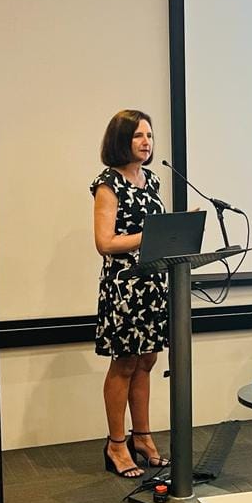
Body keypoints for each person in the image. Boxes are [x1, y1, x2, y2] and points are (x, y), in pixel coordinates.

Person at [91, 109, 170, 479]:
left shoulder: (151, 180)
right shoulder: (108, 184)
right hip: (125, 285)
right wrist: (152, 235)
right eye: (138, 135)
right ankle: (116, 444)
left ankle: (143, 436)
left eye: (149, 135)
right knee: (124, 362)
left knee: (147, 360)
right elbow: (105, 242)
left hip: (153, 283)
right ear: (121, 140)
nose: (146, 142)